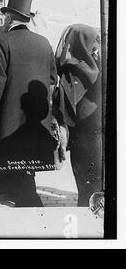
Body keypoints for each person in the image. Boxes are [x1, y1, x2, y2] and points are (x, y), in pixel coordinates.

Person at [0, 0, 58, 207]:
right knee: (28, 161)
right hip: (38, 116)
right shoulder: (44, 43)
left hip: (10, 115)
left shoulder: (2, 41)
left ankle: (30, 202)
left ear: (8, 18)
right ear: (26, 18)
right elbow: (52, 78)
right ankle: (24, 195)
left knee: (14, 159)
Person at [53, 24, 102, 207]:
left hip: (82, 141)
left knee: (86, 189)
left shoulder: (70, 70)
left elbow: (66, 109)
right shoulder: (99, 68)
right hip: (98, 140)